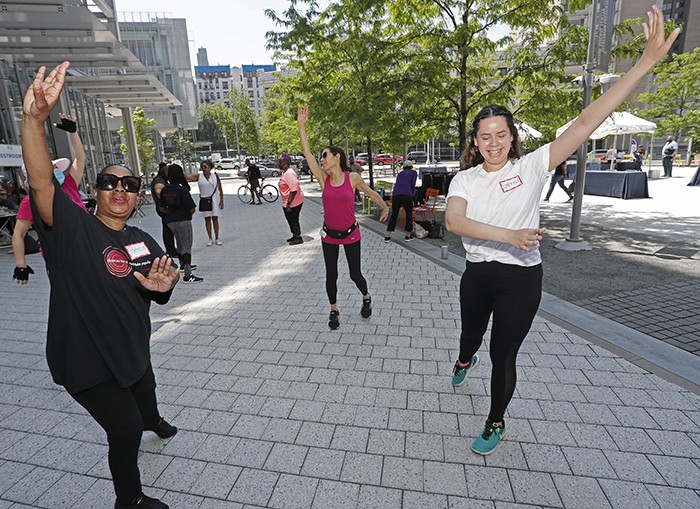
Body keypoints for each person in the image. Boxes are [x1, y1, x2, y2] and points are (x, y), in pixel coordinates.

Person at [444, 7, 677, 456]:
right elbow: (453, 222)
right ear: (474, 142)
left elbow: (588, 121)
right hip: (477, 274)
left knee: (503, 354)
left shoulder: (533, 166)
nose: (493, 143)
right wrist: (507, 235)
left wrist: (644, 63)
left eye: (501, 134)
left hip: (521, 279)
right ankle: (462, 356)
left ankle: (496, 421)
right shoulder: (465, 179)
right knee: (470, 337)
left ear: (512, 137)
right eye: (484, 137)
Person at [21, 60, 181, 509]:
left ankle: (155, 420)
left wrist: (161, 288)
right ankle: (128, 500)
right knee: (124, 429)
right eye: (110, 182)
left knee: (145, 388)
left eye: (129, 184)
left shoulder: (143, 239)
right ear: (96, 189)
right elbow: (39, 180)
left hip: (131, 348)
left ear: (138, 195)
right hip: (86, 361)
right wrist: (34, 119)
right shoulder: (71, 227)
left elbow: (158, 287)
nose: (120, 189)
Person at [297, 105, 390, 330]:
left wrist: (385, 207)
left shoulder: (353, 178)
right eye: (321, 158)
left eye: (325, 156)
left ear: (337, 157)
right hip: (329, 235)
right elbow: (307, 153)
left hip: (351, 234)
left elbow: (372, 193)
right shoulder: (323, 179)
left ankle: (366, 297)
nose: (322, 160)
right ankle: (334, 310)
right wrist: (301, 126)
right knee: (331, 275)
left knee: (355, 274)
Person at [13, 114, 88, 285]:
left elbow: (80, 159)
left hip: (88, 248)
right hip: (61, 258)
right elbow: (18, 234)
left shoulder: (69, 184)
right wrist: (21, 264)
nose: (55, 170)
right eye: (51, 167)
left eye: (55, 167)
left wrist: (73, 132)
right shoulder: (31, 200)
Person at [161, 164, 202, 283]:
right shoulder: (182, 190)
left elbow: (162, 207)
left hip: (170, 220)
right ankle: (188, 274)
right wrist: (188, 215)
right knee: (186, 246)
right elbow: (192, 208)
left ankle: (182, 265)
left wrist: (171, 211)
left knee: (179, 244)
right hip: (183, 219)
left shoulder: (165, 189)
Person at [187, 160, 224, 246]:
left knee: (215, 218)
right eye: (202, 167)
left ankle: (217, 237)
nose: (203, 169)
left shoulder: (215, 176)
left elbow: (220, 188)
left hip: (215, 200)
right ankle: (210, 238)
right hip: (204, 200)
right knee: (207, 219)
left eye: (205, 167)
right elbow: (188, 177)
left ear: (210, 168)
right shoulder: (199, 176)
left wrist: (221, 200)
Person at [384, 160, 417, 242]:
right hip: (407, 194)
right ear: (411, 166)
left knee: (394, 214)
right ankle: (407, 235)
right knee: (409, 214)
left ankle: (387, 235)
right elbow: (413, 184)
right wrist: (412, 194)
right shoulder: (413, 173)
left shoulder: (400, 173)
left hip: (396, 195)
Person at [150, 162, 177, 257]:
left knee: (168, 230)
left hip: (162, 208)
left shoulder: (159, 179)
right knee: (168, 230)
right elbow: (158, 191)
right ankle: (171, 250)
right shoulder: (160, 181)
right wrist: (168, 200)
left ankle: (171, 249)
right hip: (164, 209)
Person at [278, 153, 304, 245]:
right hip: (289, 201)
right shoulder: (286, 172)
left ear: (285, 163)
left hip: (294, 201)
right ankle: (294, 235)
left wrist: (289, 204)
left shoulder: (289, 173)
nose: (278, 164)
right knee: (290, 219)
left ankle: (298, 237)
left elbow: (294, 190)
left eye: (280, 162)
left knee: (293, 219)